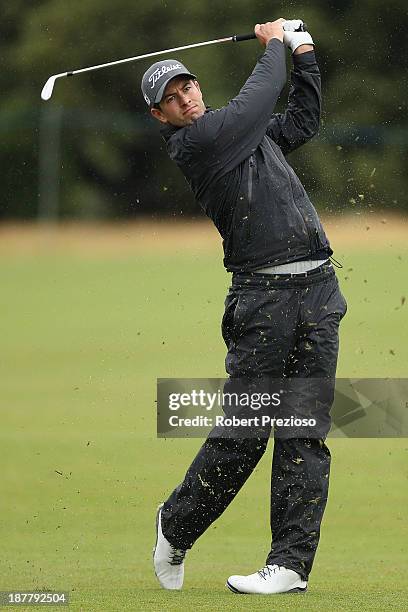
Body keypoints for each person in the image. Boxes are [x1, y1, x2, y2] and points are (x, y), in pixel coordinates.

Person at [142, 18, 347, 595]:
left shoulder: (241, 133)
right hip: (264, 303)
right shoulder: (198, 144)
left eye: (187, 87)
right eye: (171, 99)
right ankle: (175, 525)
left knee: (305, 431)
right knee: (246, 434)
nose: (185, 99)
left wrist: (304, 55)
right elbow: (259, 99)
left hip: (317, 291)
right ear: (160, 116)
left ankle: (289, 565)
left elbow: (302, 121)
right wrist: (277, 41)